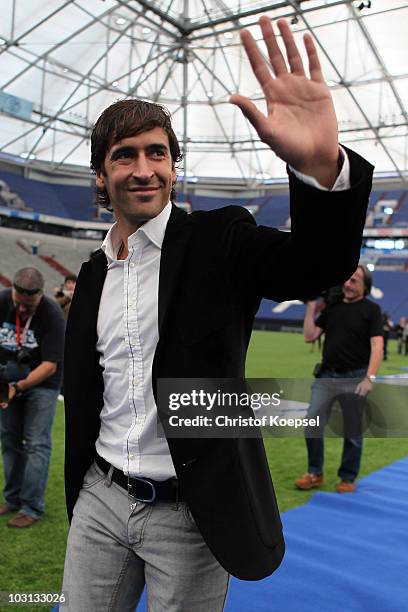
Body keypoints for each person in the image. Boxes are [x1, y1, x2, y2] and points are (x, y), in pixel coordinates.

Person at [62, 17, 374, 611]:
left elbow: (315, 266)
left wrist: (320, 167)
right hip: (100, 499)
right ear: (102, 175)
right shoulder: (93, 272)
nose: (144, 168)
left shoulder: (219, 238)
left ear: (174, 167)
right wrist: (81, 490)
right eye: (124, 156)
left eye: (158, 152)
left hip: (191, 510)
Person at [296, 265, 383, 494]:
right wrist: (311, 308)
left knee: (352, 432)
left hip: (355, 377)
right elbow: (310, 336)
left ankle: (347, 477)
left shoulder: (372, 310)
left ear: (365, 286)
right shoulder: (333, 307)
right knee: (312, 423)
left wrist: (370, 377)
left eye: (355, 280)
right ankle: (315, 472)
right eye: (347, 279)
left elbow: (377, 346)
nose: (348, 284)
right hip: (326, 375)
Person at [0, 267, 65, 527]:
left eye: (30, 305)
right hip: (6, 380)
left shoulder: (52, 314)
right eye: (19, 303)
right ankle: (13, 498)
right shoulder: (2, 301)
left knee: (37, 443)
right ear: (13, 292)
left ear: (40, 296)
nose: (23, 309)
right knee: (9, 439)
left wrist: (20, 385)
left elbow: (50, 365)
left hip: (43, 384)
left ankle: (31, 507)